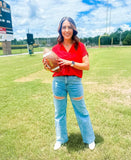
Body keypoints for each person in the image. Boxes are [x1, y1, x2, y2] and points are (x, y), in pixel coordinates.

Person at [43, 17, 95, 150]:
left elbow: (87, 66)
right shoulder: (55, 48)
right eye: (64, 27)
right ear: (60, 30)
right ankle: (61, 138)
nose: (67, 30)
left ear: (73, 29)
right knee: (59, 112)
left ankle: (89, 139)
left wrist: (70, 62)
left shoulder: (80, 46)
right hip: (58, 82)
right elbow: (53, 68)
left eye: (69, 27)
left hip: (74, 82)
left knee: (81, 110)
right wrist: (48, 66)